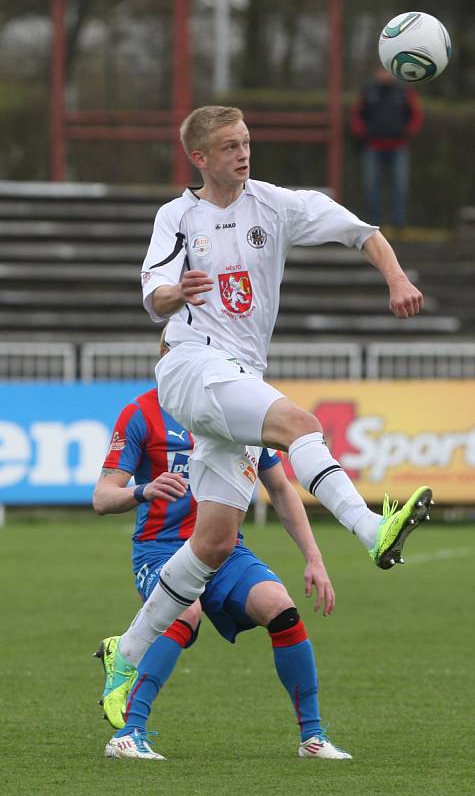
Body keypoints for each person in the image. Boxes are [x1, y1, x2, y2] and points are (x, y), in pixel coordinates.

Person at [105, 105, 432, 723]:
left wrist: (396, 278)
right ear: (199, 157)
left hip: (236, 380)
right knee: (300, 425)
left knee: (213, 542)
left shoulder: (275, 205)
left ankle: (126, 651)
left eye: (247, 141)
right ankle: (370, 530)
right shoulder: (178, 215)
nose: (243, 153)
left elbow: (361, 230)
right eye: (229, 145)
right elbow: (153, 292)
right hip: (191, 365)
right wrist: (178, 291)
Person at [93, 377, 350, 761]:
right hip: (159, 550)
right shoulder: (141, 413)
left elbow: (280, 490)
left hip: (226, 550)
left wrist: (314, 558)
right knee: (185, 610)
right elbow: (102, 496)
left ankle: (312, 737)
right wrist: (142, 490)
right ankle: (128, 733)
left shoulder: (241, 411)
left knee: (280, 606)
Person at [350, 66, 423, 229]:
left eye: (387, 72)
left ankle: (399, 223)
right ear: (376, 73)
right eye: (381, 71)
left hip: (398, 148)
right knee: (372, 187)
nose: (385, 75)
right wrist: (364, 134)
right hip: (373, 147)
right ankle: (373, 223)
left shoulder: (404, 91)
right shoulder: (368, 91)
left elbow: (416, 115)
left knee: (399, 187)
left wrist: (408, 133)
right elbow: (356, 116)